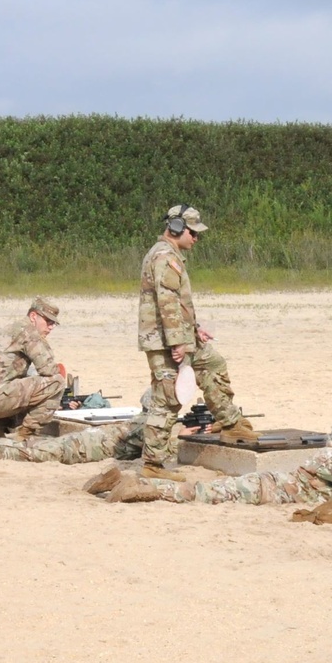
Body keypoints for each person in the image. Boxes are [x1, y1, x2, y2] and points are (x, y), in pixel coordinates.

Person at [83, 414, 332, 505]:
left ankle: (130, 483)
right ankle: (138, 488)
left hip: (267, 483)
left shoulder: (331, 453)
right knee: (198, 494)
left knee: (202, 488)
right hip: (268, 493)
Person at [137, 203, 257, 482]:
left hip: (179, 336)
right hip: (165, 342)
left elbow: (177, 305)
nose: (196, 238)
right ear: (176, 228)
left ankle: (230, 422)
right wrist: (178, 342)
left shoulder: (170, 255)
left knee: (213, 363)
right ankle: (152, 464)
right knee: (168, 400)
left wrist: (194, 329)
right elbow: (166, 303)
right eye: (193, 232)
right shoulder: (165, 257)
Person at [0, 390, 209, 464]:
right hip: (82, 449)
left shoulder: (144, 420)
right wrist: (180, 436)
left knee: (34, 448)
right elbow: (157, 450)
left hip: (85, 442)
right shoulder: (148, 426)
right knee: (31, 453)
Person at [0, 297, 67, 438]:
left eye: (53, 323)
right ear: (33, 316)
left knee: (32, 383)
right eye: (48, 321)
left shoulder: (15, 328)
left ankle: (5, 426)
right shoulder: (28, 332)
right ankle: (26, 434)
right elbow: (48, 369)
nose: (51, 327)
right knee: (57, 382)